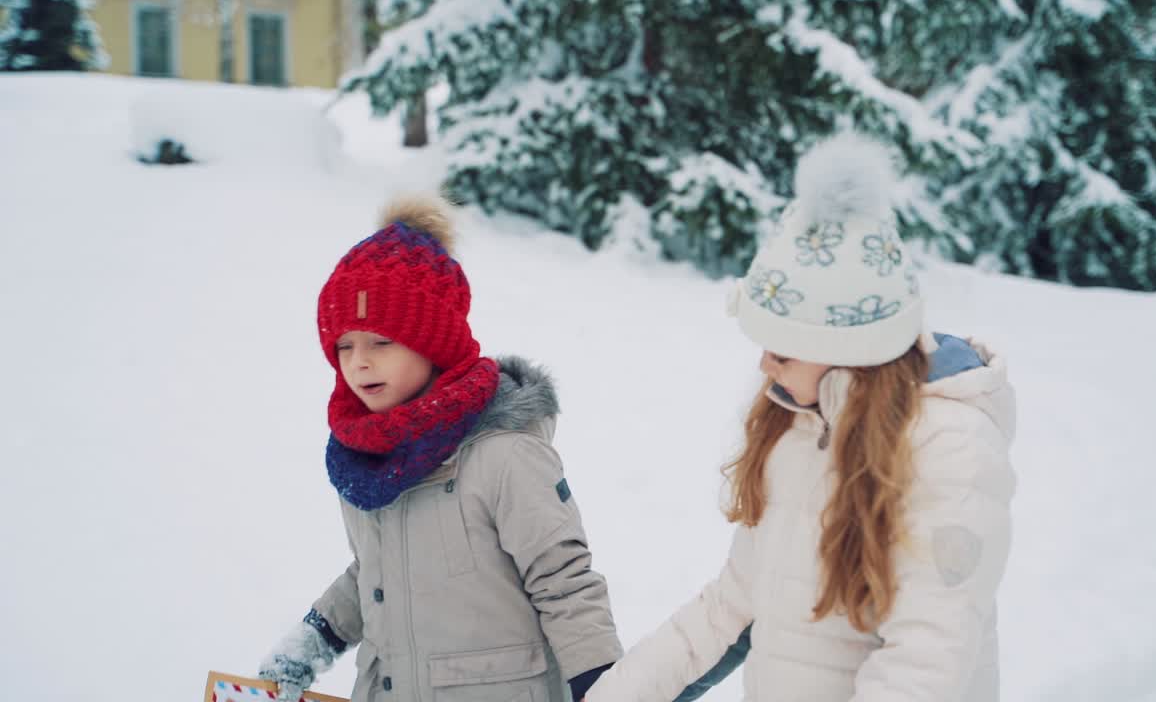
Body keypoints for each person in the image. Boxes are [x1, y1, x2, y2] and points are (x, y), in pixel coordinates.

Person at [589, 134, 1016, 702]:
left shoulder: (949, 450)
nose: (765, 364)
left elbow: (925, 664)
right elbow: (732, 609)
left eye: (783, 350)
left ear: (851, 349)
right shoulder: (796, 428)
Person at [257, 197, 623, 702]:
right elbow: (378, 568)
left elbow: (564, 582)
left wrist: (603, 687)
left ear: (434, 343)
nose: (359, 363)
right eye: (345, 345)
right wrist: (313, 638)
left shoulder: (504, 455)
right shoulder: (367, 457)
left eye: (381, 342)